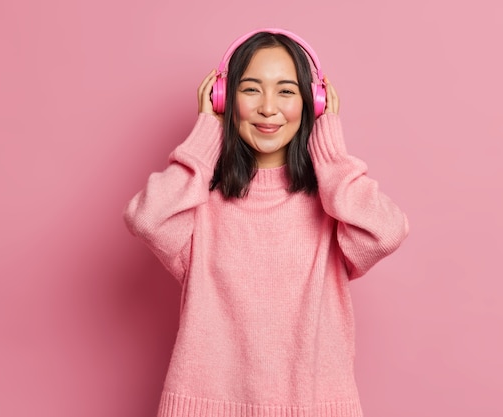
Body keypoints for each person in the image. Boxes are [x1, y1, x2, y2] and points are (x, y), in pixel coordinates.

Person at [124, 28, 409, 417]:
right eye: (251, 89)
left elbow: (386, 231)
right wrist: (206, 133)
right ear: (224, 99)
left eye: (287, 91)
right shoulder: (198, 202)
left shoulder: (333, 206)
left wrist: (330, 153)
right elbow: (147, 219)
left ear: (315, 104)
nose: (268, 108)